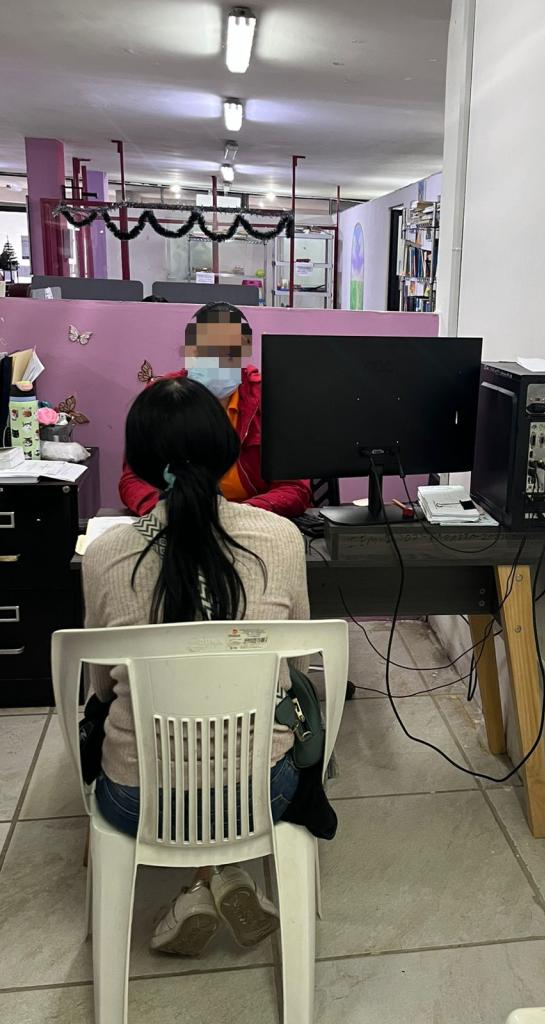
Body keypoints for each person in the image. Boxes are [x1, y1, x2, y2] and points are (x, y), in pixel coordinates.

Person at [83, 375, 310, 956]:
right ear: (227, 451)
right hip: (264, 791)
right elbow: (299, 665)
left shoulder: (106, 554)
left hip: (137, 800)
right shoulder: (282, 539)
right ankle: (223, 875)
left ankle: (200, 888)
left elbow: (100, 688)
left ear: (138, 463)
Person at [119, 301, 312, 519]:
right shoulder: (162, 397)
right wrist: (166, 512)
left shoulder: (270, 399)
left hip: (250, 518)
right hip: (176, 517)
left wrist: (238, 515)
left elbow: (295, 487)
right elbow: (133, 480)